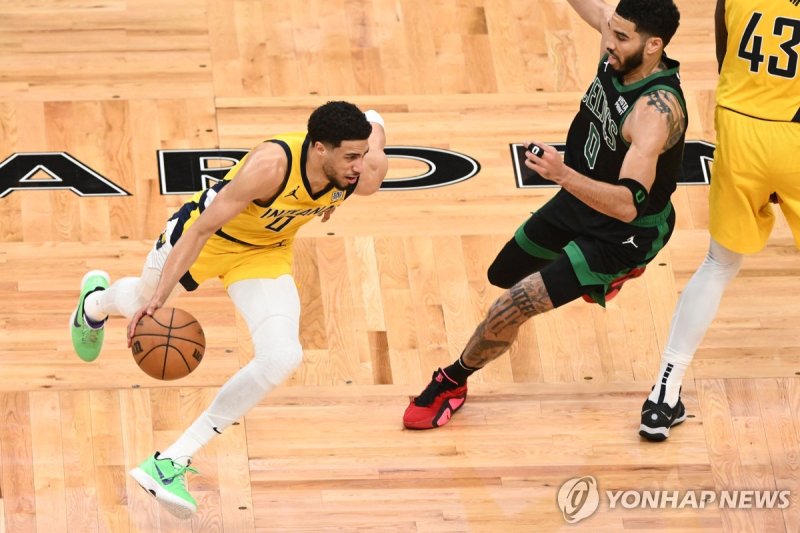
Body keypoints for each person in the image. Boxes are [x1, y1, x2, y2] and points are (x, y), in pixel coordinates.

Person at [69, 101, 388, 518]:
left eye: (363, 154)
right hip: (206, 239)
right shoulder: (271, 166)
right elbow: (202, 227)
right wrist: (159, 300)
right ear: (319, 149)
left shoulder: (361, 173)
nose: (358, 165)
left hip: (265, 254)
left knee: (282, 356)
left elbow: (375, 143)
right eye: (350, 156)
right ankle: (94, 304)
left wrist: (375, 128)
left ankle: (171, 463)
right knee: (142, 303)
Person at [403, 0, 686, 430]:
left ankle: (451, 381)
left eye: (620, 37)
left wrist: (562, 174)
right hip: (580, 197)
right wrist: (569, 179)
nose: (607, 41)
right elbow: (594, 10)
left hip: (622, 233)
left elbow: (629, 204)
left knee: (510, 306)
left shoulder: (656, 112)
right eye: (610, 30)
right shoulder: (620, 44)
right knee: (503, 272)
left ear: (654, 46)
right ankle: (591, 278)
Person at [639, 0, 800, 441]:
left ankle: (662, 396)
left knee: (719, 264)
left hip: (738, 125)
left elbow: (724, 45)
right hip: (795, 132)